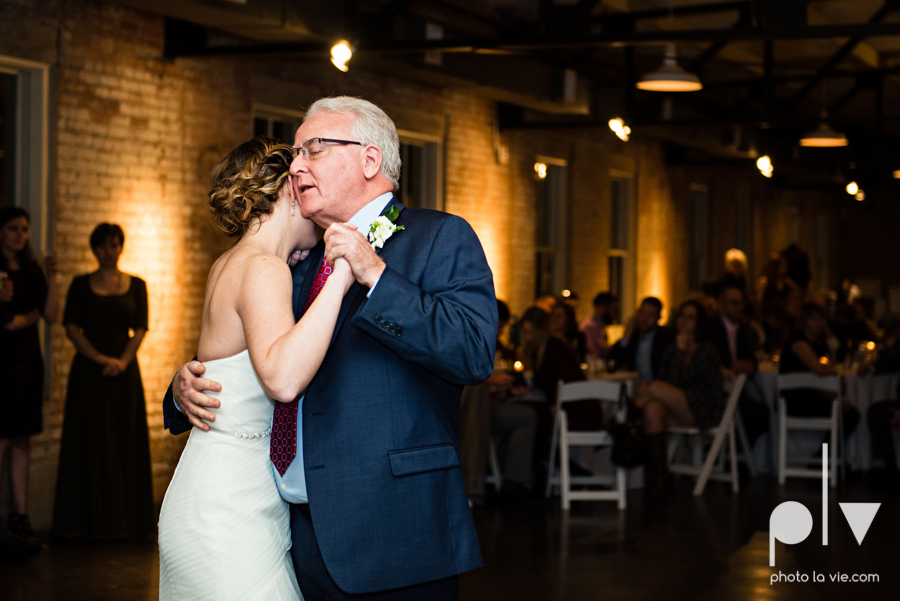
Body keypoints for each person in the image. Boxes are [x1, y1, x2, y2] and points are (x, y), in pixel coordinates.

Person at [164, 97, 497, 600]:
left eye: (313, 149)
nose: (296, 166)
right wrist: (181, 386)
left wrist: (378, 277)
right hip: (292, 538)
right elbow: (248, 352)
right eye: (295, 154)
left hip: (396, 534)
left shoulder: (439, 237)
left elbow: (473, 352)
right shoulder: (293, 259)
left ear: (369, 160)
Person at [158, 136, 356, 600]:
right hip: (230, 508)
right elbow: (283, 379)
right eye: (305, 191)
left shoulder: (230, 263)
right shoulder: (266, 270)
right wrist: (344, 272)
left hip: (218, 487)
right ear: (289, 192)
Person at [52, 223, 153, 541]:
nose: (108, 251)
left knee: (125, 439)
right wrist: (99, 359)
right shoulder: (81, 285)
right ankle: (85, 522)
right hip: (89, 374)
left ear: (121, 247)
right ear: (93, 249)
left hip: (124, 374)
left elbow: (140, 328)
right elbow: (70, 327)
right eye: (102, 245)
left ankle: (127, 523)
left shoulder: (137, 285)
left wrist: (122, 361)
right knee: (89, 440)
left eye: (113, 245)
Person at [0, 207, 56, 549]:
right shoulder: (0, 270)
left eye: (24, 229)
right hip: (2, 362)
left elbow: (50, 315)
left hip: (28, 362)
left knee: (22, 440)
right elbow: (8, 322)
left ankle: (20, 518)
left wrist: (52, 279)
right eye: (12, 228)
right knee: (2, 439)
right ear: (0, 232)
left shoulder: (32, 270)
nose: (19, 235)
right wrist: (23, 316)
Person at [634, 300, 724, 493]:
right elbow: (668, 380)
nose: (683, 321)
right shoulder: (672, 348)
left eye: (690, 317)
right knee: (651, 409)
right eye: (681, 315)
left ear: (698, 323)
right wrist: (678, 350)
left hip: (702, 409)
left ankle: (634, 405)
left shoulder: (707, 350)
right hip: (678, 409)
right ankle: (661, 475)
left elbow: (678, 381)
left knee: (652, 387)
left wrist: (681, 350)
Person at [778, 302, 860, 441]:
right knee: (848, 416)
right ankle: (823, 458)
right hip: (797, 403)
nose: (819, 323)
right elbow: (818, 369)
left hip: (809, 398)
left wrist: (836, 397)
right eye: (813, 319)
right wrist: (835, 373)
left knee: (848, 414)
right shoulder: (799, 342)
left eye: (822, 319)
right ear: (804, 321)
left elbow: (815, 380)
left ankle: (824, 458)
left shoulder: (818, 344)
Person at [705, 284, 769, 446]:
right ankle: (732, 454)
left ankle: (738, 454)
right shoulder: (711, 329)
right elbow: (708, 361)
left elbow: (753, 357)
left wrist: (749, 365)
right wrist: (732, 366)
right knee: (752, 413)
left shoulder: (743, 330)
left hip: (737, 390)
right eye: (734, 303)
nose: (739, 307)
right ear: (721, 304)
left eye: (741, 302)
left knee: (762, 412)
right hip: (716, 391)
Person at [607, 296, 675, 380]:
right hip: (634, 385)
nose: (644, 318)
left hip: (657, 386)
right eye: (642, 312)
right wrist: (627, 334)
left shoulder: (666, 337)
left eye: (650, 315)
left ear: (658, 317)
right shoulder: (633, 336)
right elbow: (612, 361)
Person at [580, 291, 618, 360]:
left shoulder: (600, 327)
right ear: (601, 307)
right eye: (613, 309)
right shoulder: (589, 327)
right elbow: (595, 355)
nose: (615, 314)